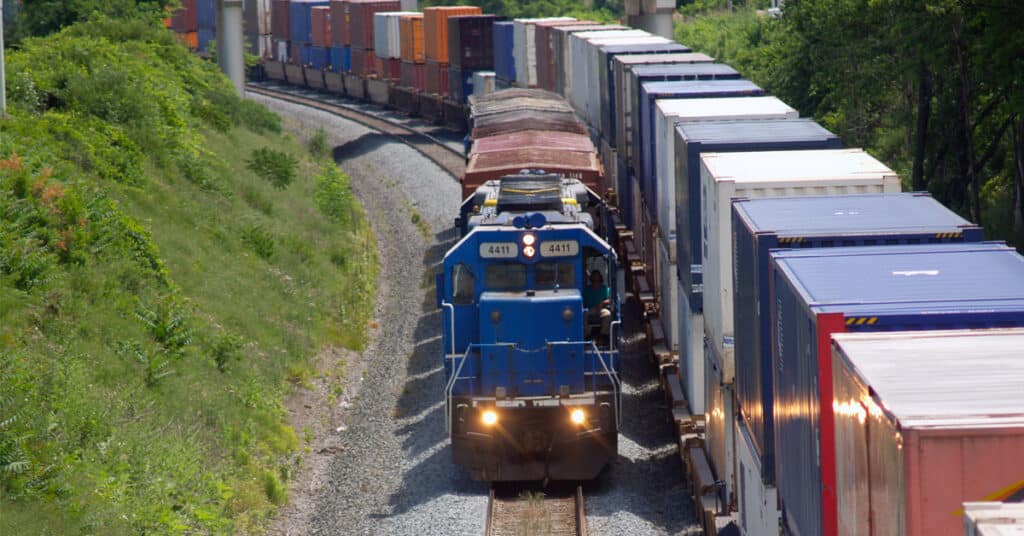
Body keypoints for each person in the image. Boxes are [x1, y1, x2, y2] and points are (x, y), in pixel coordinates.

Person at [583, 270, 612, 339]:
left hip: (601, 309)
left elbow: (610, 299)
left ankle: (603, 336)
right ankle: (587, 335)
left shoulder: (605, 289)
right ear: (591, 279)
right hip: (590, 309)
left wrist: (603, 303)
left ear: (600, 278)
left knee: (608, 314)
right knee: (581, 315)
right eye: (594, 278)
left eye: (597, 278)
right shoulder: (587, 290)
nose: (596, 280)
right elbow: (583, 301)